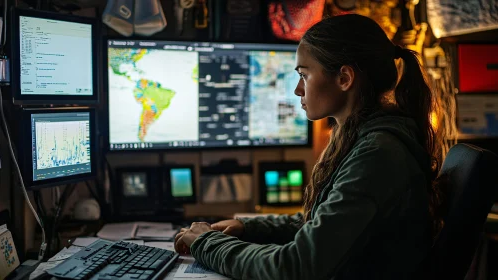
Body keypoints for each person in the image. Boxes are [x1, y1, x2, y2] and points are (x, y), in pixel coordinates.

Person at [175, 14, 445, 280]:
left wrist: (205, 242)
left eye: (304, 75)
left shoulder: (378, 154)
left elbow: (294, 267)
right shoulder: (369, 139)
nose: (297, 90)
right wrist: (247, 227)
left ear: (344, 79)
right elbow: (322, 225)